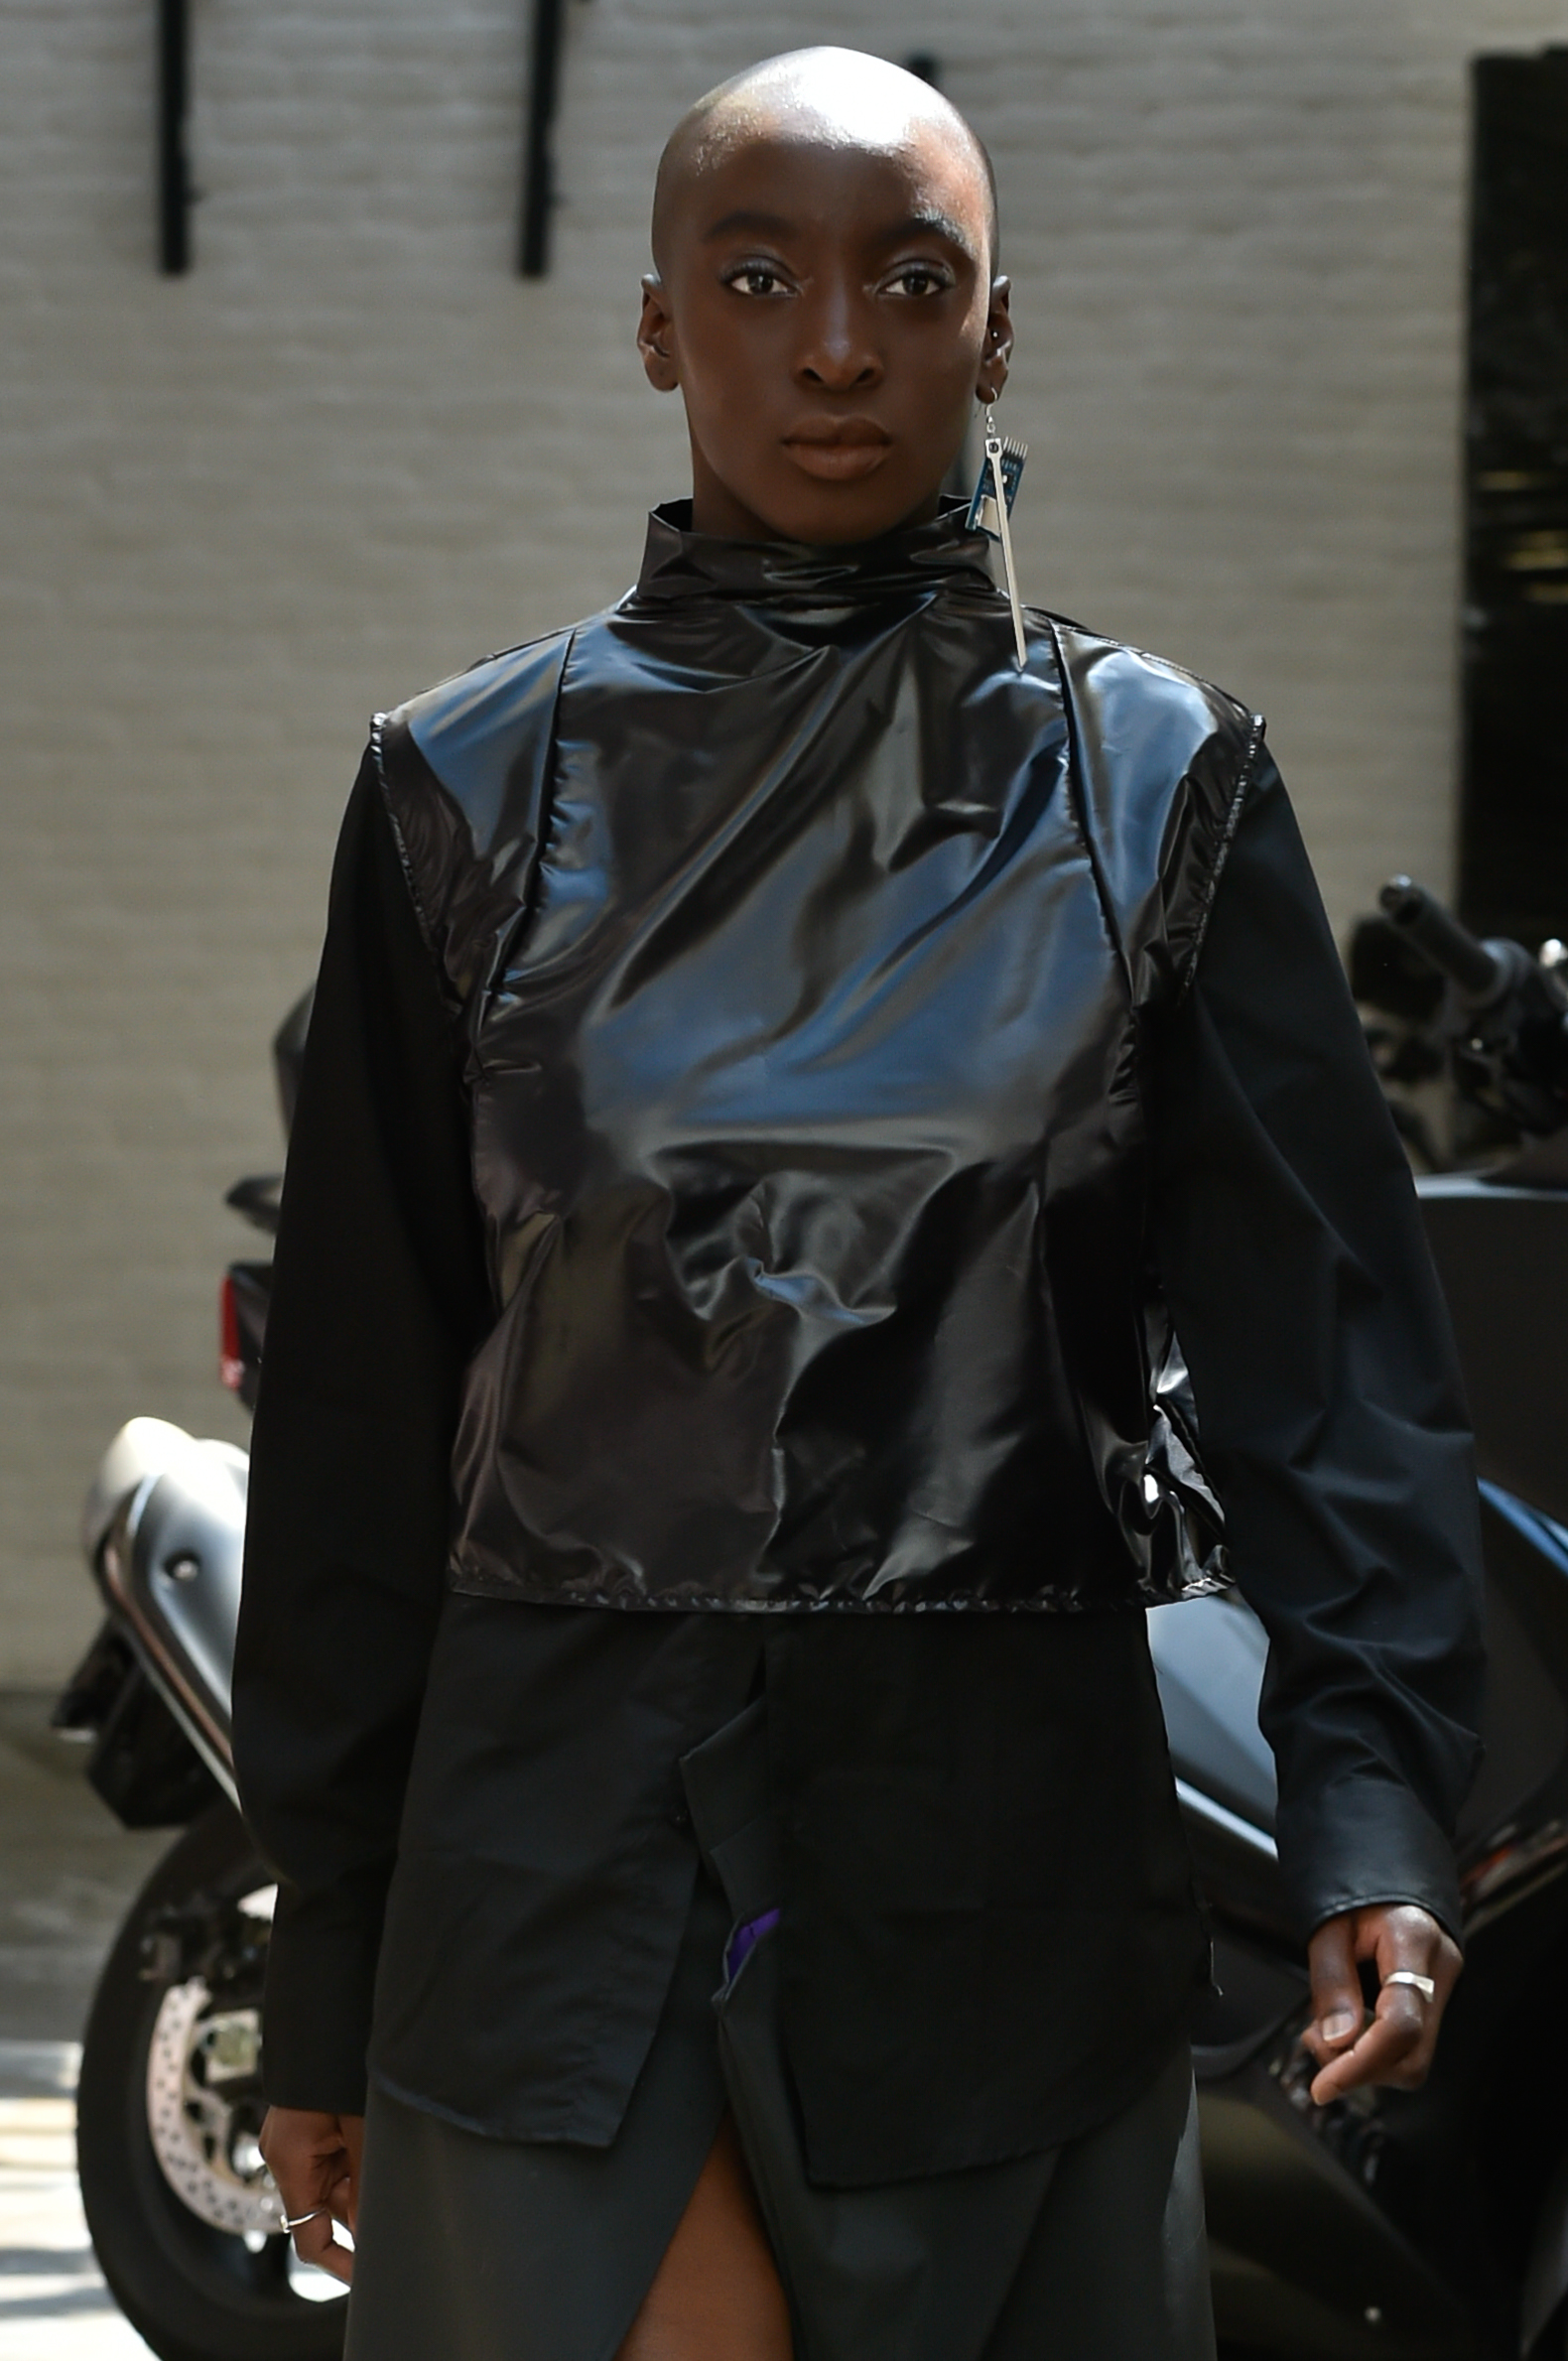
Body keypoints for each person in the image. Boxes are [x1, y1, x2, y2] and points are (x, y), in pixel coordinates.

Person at [234, 47, 1484, 2361]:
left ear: (995, 332)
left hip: (991, 1843)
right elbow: (357, 1409)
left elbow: (1331, 1370)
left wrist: (1374, 1810)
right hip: (555, 1836)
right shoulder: (460, 790)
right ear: (655, 326)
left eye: (909, 283)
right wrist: (330, 1940)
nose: (833, 346)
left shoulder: (1157, 787)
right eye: (755, 278)